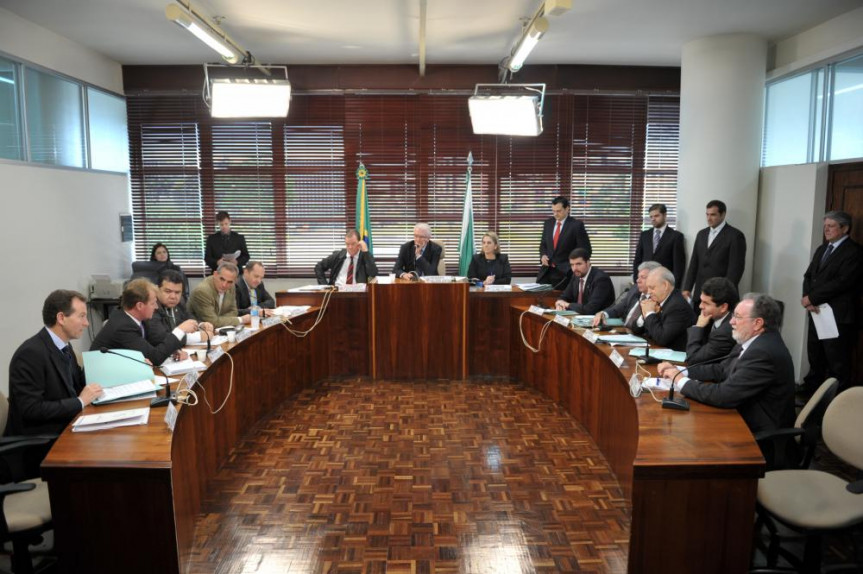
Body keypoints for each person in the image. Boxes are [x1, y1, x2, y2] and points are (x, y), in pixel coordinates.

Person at [658, 294, 796, 464]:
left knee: (687, 442)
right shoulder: (752, 341)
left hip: (758, 438)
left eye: (737, 317)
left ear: (757, 323)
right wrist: (681, 371)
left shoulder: (763, 352)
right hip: (742, 415)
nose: (731, 322)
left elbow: (724, 395)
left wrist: (680, 381)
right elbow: (721, 369)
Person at [6, 290, 104, 437]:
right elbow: (31, 409)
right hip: (42, 439)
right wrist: (80, 401)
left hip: (67, 425)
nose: (87, 323)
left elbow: (75, 384)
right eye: (82, 316)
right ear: (61, 318)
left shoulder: (64, 346)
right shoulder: (30, 354)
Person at [801, 211, 863, 393]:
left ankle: (837, 397)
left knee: (837, 359)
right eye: (825, 226)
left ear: (845, 228)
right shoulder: (822, 249)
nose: (826, 230)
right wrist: (807, 299)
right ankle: (811, 390)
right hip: (816, 311)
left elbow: (842, 282)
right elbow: (808, 276)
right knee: (815, 354)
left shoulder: (854, 252)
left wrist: (812, 298)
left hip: (837, 314)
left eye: (831, 226)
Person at [91, 278, 196, 365]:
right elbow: (154, 358)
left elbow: (152, 343)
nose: (156, 307)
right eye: (153, 303)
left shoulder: (135, 318)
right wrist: (180, 330)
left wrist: (172, 351)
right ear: (140, 306)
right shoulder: (123, 326)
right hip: (100, 378)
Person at [682, 199, 746, 311]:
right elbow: (694, 263)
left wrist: (723, 295)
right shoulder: (701, 234)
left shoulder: (735, 236)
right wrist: (687, 288)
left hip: (720, 298)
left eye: (713, 215)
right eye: (707, 214)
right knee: (698, 322)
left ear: (723, 214)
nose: (708, 218)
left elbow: (735, 270)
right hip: (700, 295)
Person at [632, 266, 695, 351]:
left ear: (665, 285)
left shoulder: (677, 306)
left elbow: (662, 339)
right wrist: (644, 315)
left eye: (652, 288)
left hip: (676, 355)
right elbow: (635, 329)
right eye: (648, 287)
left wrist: (649, 313)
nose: (649, 292)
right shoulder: (659, 300)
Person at [146, 270, 214, 347]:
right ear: (157, 289)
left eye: (177, 292)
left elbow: (188, 318)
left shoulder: (180, 302)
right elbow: (159, 337)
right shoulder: (151, 306)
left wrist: (201, 325)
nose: (173, 297)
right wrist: (198, 337)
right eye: (168, 291)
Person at [538, 196, 591, 288]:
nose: (555, 214)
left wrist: (573, 266)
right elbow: (543, 244)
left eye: (558, 211)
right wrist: (543, 255)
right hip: (547, 271)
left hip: (566, 273)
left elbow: (586, 250)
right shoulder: (548, 223)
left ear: (567, 209)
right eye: (553, 211)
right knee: (538, 295)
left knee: (562, 297)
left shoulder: (576, 225)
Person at [593, 261, 661, 329]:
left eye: (643, 277)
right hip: (623, 330)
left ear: (654, 279)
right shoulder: (635, 289)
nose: (638, 280)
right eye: (638, 277)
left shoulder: (657, 299)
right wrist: (603, 314)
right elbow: (617, 309)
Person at [686, 277, 738, 364]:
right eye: (701, 301)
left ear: (723, 307)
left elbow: (693, 359)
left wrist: (698, 327)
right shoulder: (710, 318)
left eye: (706, 303)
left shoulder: (725, 332)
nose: (700, 306)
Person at [632, 203, 685, 288]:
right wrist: (636, 281)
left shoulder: (675, 236)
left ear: (664, 215)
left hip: (664, 283)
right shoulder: (644, 235)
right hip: (645, 282)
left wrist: (675, 287)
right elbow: (637, 260)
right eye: (651, 217)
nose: (653, 219)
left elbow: (678, 266)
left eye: (656, 216)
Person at [188, 262, 251, 328]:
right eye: (222, 279)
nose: (224, 285)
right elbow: (212, 322)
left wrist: (219, 320)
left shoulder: (231, 286)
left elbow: (233, 311)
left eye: (229, 282)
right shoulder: (202, 291)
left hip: (219, 329)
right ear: (215, 274)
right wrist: (241, 320)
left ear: (235, 281)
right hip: (197, 329)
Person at [554, 248, 614, 314]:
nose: (574, 268)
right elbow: (564, 296)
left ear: (588, 263)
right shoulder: (576, 276)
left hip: (598, 318)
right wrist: (559, 303)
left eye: (578, 264)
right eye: (572, 265)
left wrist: (567, 304)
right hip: (579, 317)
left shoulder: (601, 279)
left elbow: (590, 309)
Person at [315, 229, 379, 286]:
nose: (350, 247)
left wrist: (365, 251)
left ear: (359, 243)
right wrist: (325, 286)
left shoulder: (365, 256)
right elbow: (318, 266)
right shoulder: (338, 256)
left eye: (353, 244)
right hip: (338, 292)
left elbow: (373, 273)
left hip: (358, 293)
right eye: (347, 244)